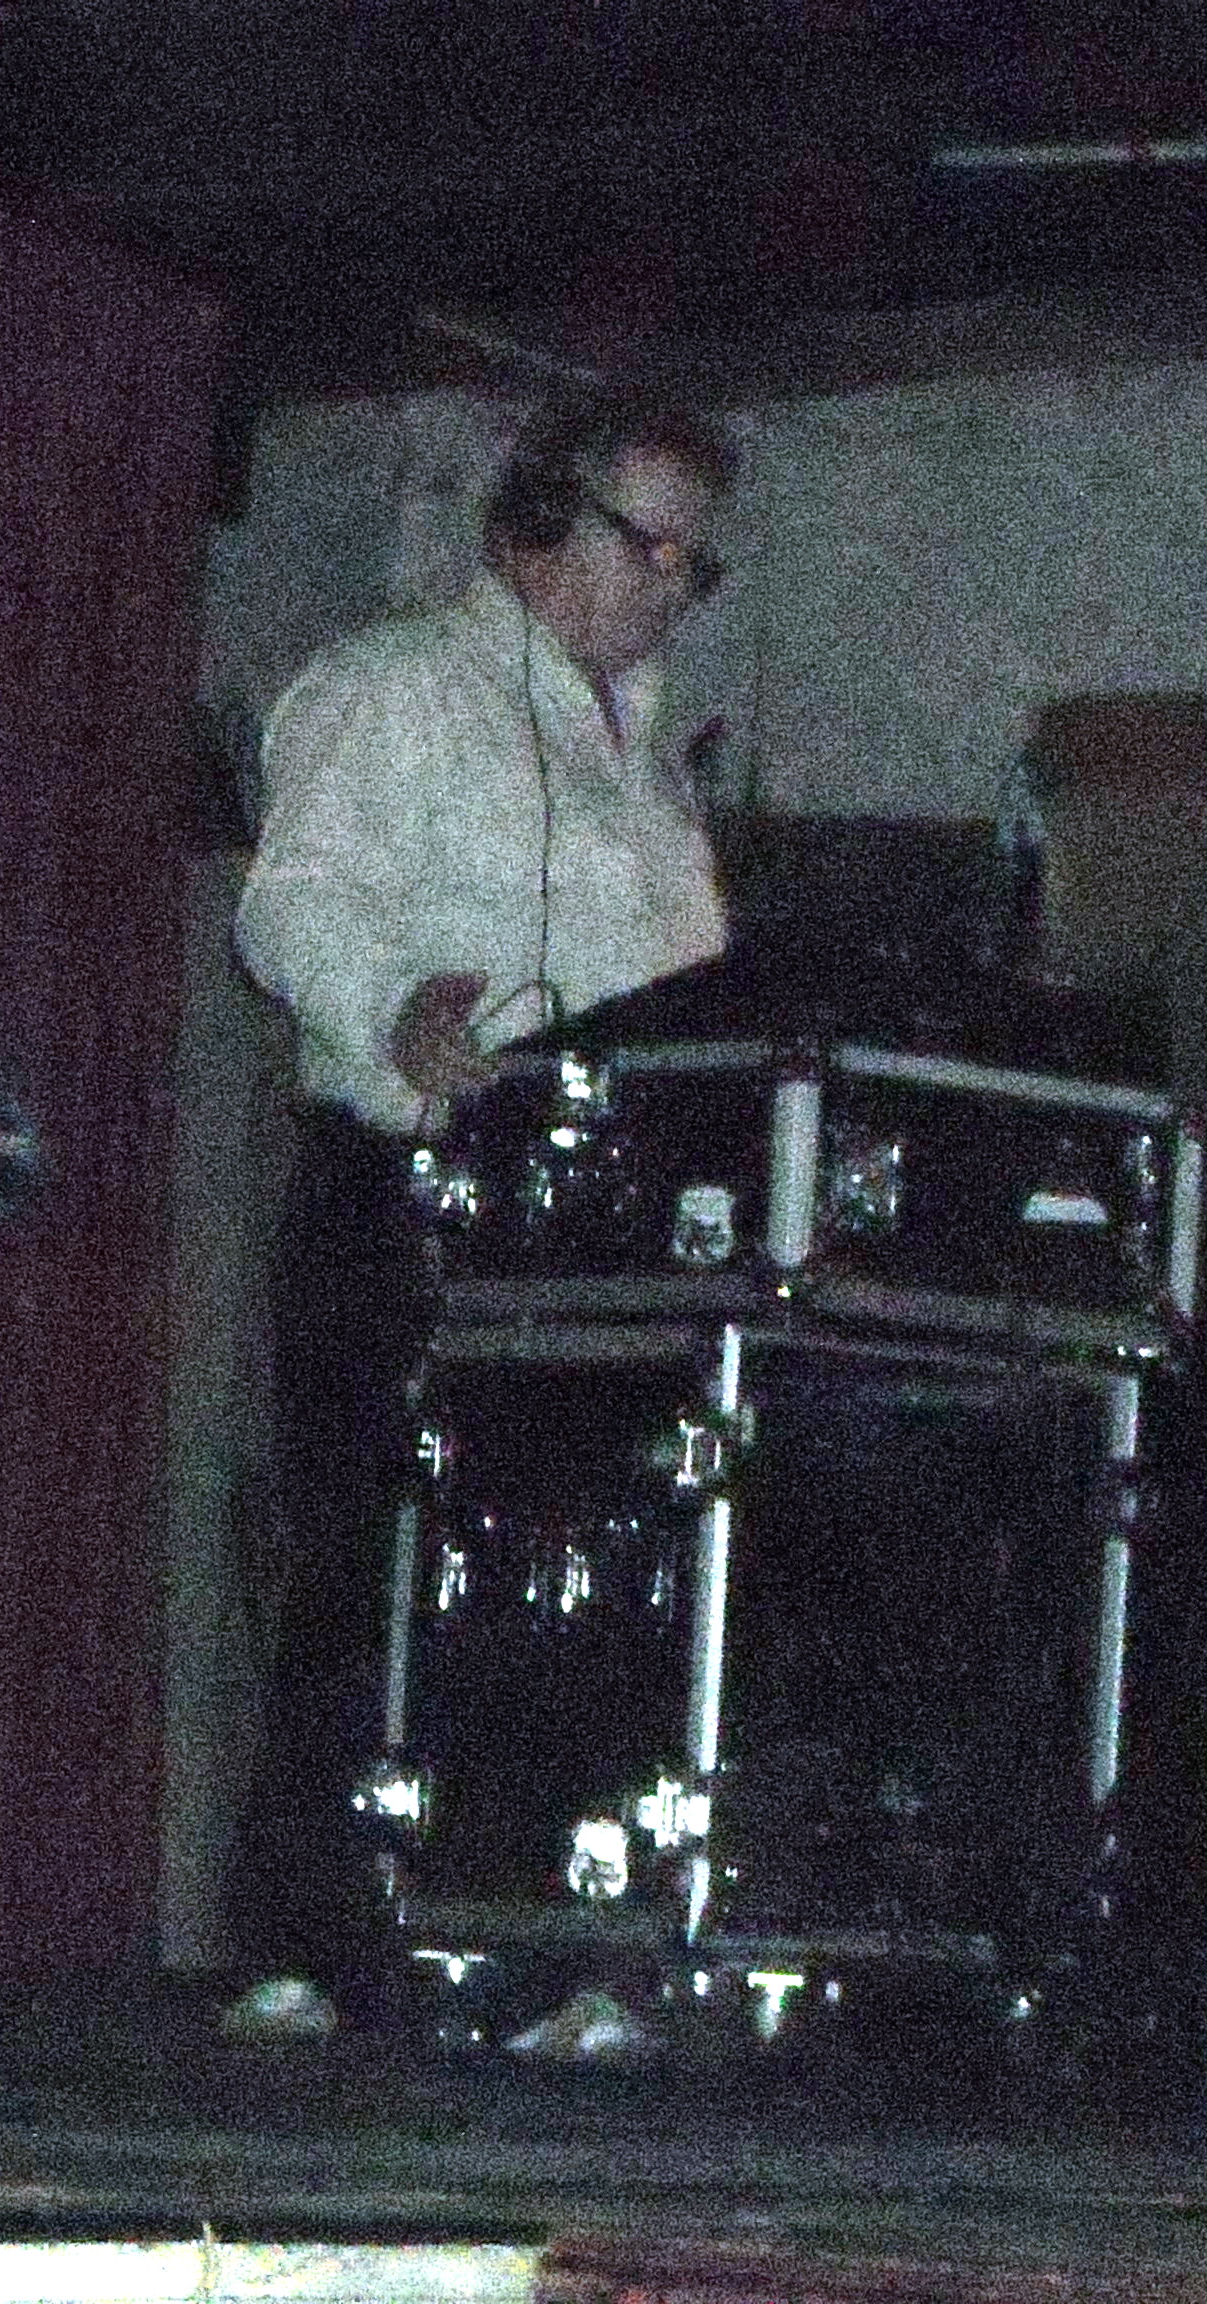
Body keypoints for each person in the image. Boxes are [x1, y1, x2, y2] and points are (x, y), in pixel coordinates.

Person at [222, 394, 739, 2039]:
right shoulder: (392, 689)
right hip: (410, 1194)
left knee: (589, 1591)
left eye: (696, 560)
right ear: (533, 525)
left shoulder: (648, 773)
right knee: (371, 1569)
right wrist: (396, 1011)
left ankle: (547, 1949)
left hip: (591, 1231)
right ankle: (312, 1947)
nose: (672, 585)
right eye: (645, 544)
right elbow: (291, 901)